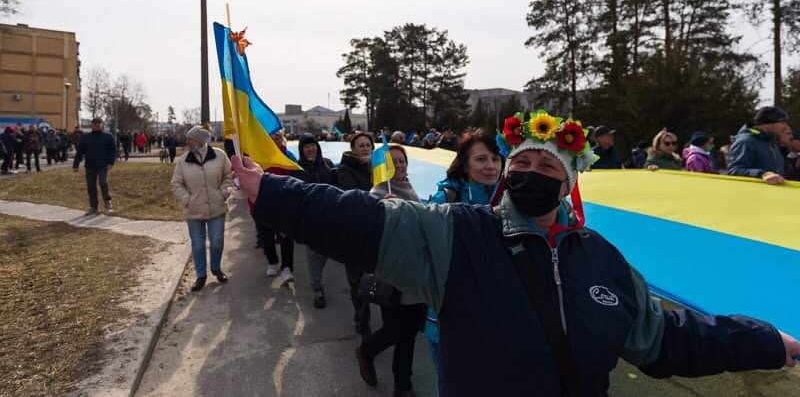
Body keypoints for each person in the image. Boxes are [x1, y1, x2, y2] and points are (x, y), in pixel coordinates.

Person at [233, 109, 800, 396]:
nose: (529, 172)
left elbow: (663, 338)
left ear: (568, 182)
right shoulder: (458, 232)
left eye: (546, 165)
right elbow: (365, 221)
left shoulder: (601, 258)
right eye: (520, 163)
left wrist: (763, 341)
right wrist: (274, 192)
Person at [427, 128, 502, 395]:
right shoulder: (446, 197)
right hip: (452, 308)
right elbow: (427, 241)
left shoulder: (511, 196)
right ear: (465, 164)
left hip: (497, 310)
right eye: (481, 159)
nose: (491, 166)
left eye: (495, 158)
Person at [357, 144, 425, 397]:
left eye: (402, 160)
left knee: (410, 331)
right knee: (397, 329)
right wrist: (382, 212)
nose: (399, 165)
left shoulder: (409, 187)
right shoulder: (378, 193)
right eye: (393, 162)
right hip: (393, 275)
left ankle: (402, 385)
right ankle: (366, 351)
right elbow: (370, 233)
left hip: (417, 273)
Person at [170, 125, 233, 292]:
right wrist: (187, 199)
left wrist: (223, 193)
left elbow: (229, 176)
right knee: (198, 245)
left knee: (217, 241)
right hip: (193, 210)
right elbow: (176, 184)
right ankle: (201, 276)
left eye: (190, 139)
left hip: (217, 207)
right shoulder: (183, 160)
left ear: (199, 141)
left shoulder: (219, 155)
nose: (187, 142)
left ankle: (216, 269)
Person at [333, 131, 375, 335]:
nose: (365, 149)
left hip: (375, 230)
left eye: (368, 145)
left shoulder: (378, 167)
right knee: (357, 281)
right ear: (353, 149)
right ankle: (362, 319)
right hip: (354, 232)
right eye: (361, 145)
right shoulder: (344, 170)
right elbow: (353, 197)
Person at [294, 134, 335, 308]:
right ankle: (317, 287)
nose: (311, 149)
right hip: (310, 220)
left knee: (331, 251)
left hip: (331, 217)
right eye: (306, 146)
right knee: (314, 256)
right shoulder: (296, 169)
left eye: (313, 145)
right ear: (301, 150)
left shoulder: (328, 165)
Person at [257, 130, 298, 284]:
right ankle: (272, 262)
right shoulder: (260, 156)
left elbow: (296, 175)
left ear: (282, 139)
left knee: (286, 236)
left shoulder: (288, 155)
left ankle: (287, 268)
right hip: (265, 202)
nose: (275, 141)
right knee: (267, 235)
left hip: (284, 202)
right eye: (271, 139)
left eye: (277, 138)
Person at [727, 106, 792, 185]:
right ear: (768, 123)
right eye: (782, 123)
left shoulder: (772, 143)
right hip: (752, 191)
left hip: (771, 191)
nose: (785, 127)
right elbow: (734, 171)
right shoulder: (746, 141)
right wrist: (763, 174)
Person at [73, 118, 116, 214]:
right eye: (94, 124)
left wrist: (111, 162)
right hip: (90, 165)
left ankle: (107, 202)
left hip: (103, 165)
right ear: (91, 125)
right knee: (91, 186)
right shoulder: (86, 137)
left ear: (102, 125)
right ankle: (93, 207)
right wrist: (76, 164)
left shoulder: (108, 136)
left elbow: (112, 151)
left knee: (103, 182)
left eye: (98, 124)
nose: (96, 125)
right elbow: (80, 152)